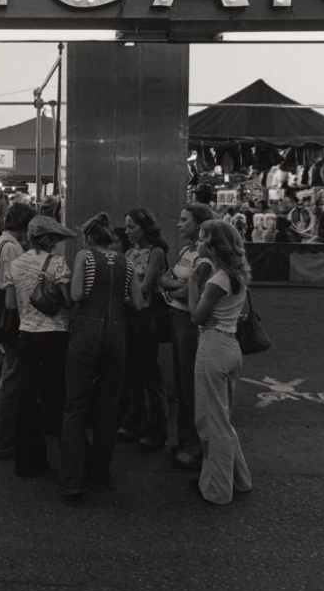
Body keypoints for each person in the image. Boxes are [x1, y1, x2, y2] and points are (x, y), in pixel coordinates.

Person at [59, 213, 144, 497]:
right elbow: (139, 302)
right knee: (108, 409)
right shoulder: (127, 262)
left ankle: (72, 479)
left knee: (75, 408)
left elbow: (76, 295)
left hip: (87, 335)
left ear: (89, 238)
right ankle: (100, 474)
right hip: (116, 336)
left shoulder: (84, 256)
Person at [187, 219, 253, 506]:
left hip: (213, 345)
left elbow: (196, 316)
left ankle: (217, 489)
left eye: (201, 238)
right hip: (231, 345)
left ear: (212, 245)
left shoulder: (215, 281)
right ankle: (238, 478)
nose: (197, 243)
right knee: (222, 418)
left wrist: (191, 283)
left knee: (211, 421)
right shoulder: (235, 274)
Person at [5, 213, 74, 478]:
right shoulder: (57, 264)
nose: (57, 242)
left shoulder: (16, 263)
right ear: (45, 239)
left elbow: (11, 304)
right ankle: (67, 463)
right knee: (56, 397)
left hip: (26, 335)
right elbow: (67, 301)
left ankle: (27, 461)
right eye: (54, 238)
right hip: (55, 335)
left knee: (26, 398)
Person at [157, 202, 217, 470]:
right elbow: (165, 278)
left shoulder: (203, 257)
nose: (179, 224)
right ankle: (183, 440)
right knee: (182, 385)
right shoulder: (185, 251)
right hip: (176, 318)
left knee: (191, 386)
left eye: (184, 220)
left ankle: (194, 446)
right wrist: (175, 286)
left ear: (199, 225)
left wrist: (172, 287)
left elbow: (185, 291)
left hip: (189, 323)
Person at [0, 202, 36, 459]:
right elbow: (16, 287)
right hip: (10, 315)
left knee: (1, 375)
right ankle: (0, 442)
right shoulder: (12, 247)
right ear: (24, 226)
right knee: (10, 380)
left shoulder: (1, 243)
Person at [119, 207, 170, 450]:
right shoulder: (129, 252)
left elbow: (145, 286)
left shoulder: (156, 252)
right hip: (128, 314)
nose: (127, 231)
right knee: (131, 370)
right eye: (126, 227)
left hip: (146, 316)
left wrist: (127, 291)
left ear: (145, 228)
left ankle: (156, 427)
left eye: (132, 227)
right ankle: (135, 420)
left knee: (149, 371)